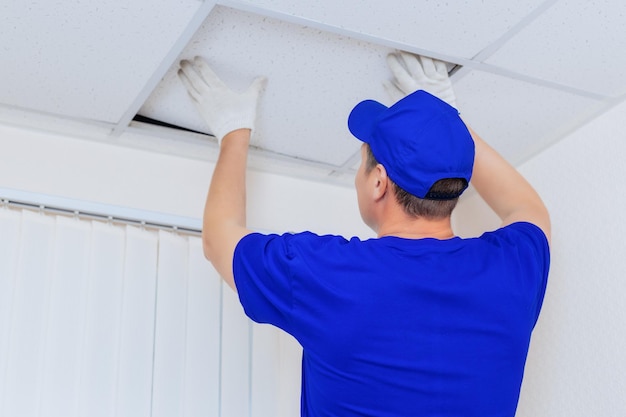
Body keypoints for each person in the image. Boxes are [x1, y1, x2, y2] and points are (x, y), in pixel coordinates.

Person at [178, 52, 551, 417]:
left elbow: (219, 239)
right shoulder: (511, 273)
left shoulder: (326, 274)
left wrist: (233, 131)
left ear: (377, 183)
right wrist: (444, 128)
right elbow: (526, 208)